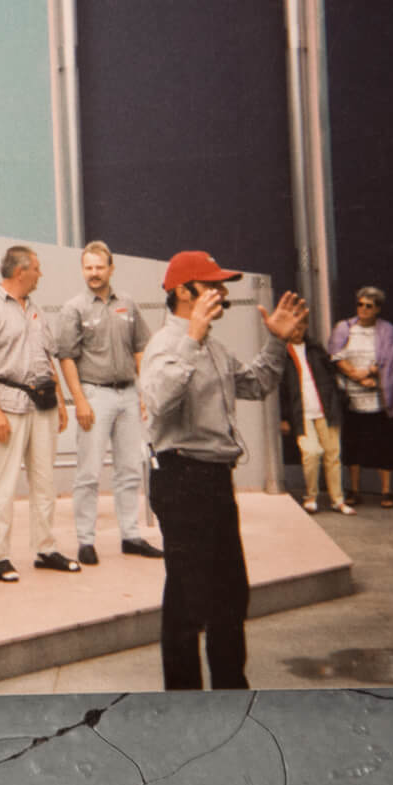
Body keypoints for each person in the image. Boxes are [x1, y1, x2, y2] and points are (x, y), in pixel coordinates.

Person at [139, 250, 307, 690]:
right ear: (183, 291)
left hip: (214, 480)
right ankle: (185, 697)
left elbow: (256, 383)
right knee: (188, 598)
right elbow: (158, 402)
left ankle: (231, 689)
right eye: (211, 284)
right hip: (181, 478)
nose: (221, 291)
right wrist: (191, 339)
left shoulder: (214, 347)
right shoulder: (165, 344)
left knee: (229, 595)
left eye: (222, 284)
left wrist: (277, 341)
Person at [0, 245, 76, 582]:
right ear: (20, 272)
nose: (41, 275)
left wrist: (60, 400)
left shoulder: (36, 311)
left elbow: (47, 358)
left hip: (42, 405)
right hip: (8, 406)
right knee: (3, 484)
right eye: (37, 269)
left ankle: (45, 548)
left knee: (44, 481)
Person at [54, 239, 159, 564]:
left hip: (128, 394)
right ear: (82, 270)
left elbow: (141, 348)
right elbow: (66, 357)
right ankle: (86, 541)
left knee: (129, 469)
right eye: (88, 267)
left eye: (100, 267)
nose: (94, 273)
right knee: (88, 472)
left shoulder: (128, 304)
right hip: (95, 395)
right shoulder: (74, 309)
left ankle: (131, 536)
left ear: (111, 268)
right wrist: (80, 401)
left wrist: (145, 391)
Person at [327, 286, 393, 509]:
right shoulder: (344, 327)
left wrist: (371, 374)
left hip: (379, 397)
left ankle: (387, 491)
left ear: (377, 308)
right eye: (360, 304)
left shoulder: (387, 330)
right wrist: (356, 375)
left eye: (368, 306)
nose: (363, 309)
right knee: (353, 446)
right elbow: (335, 356)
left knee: (383, 445)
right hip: (351, 397)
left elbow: (392, 362)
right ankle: (354, 490)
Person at [278, 313, 354, 514]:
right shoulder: (283, 354)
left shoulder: (315, 349)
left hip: (325, 408)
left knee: (333, 454)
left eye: (300, 327)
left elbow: (330, 377)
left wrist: (335, 401)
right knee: (311, 453)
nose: (296, 332)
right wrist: (283, 417)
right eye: (293, 327)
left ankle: (337, 499)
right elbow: (280, 390)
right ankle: (311, 495)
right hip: (300, 412)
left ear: (305, 327)